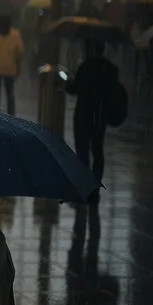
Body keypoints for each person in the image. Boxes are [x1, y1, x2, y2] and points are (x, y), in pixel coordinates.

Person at [65, 39, 119, 194]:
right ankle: (95, 187)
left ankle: (85, 186)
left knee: (83, 153)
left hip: (83, 115)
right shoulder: (110, 69)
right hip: (100, 116)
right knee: (97, 151)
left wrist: (69, 83)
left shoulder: (85, 67)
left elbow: (74, 89)